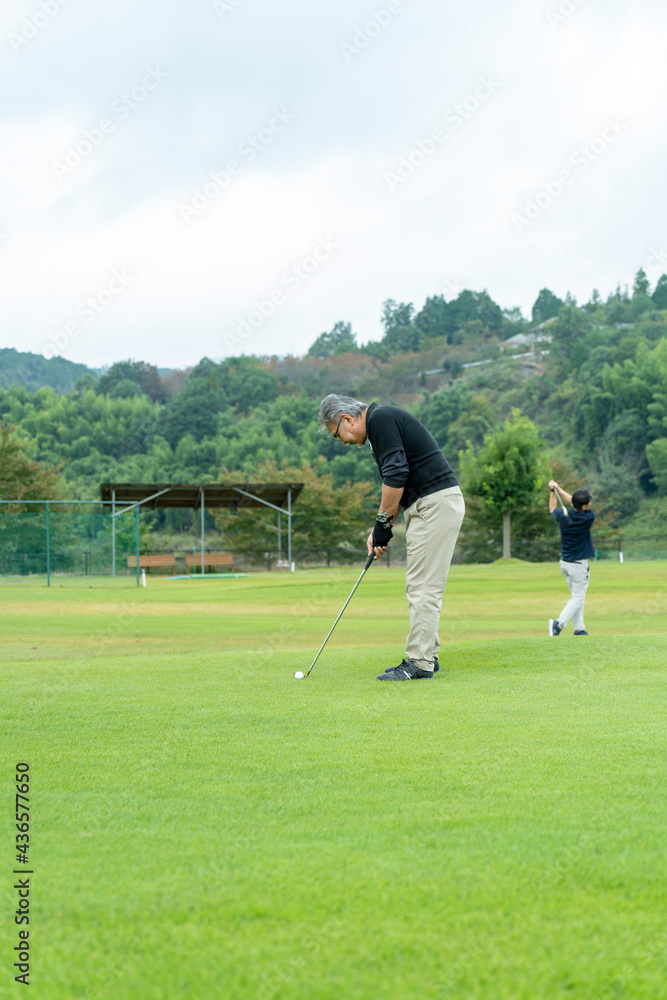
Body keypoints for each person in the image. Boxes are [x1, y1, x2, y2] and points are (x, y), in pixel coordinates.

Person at [317, 394, 465, 680]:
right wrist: (380, 530)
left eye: (338, 435)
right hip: (428, 504)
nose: (342, 441)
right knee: (420, 584)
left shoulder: (380, 419)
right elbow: (400, 480)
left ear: (347, 419)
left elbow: (395, 474)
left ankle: (419, 663)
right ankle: (428, 656)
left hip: (434, 504)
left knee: (423, 586)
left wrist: (382, 523)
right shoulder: (380, 422)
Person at [548, 480, 595, 637]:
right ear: (584, 507)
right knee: (577, 598)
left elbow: (552, 508)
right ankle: (558, 624)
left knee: (577, 597)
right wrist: (559, 490)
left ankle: (579, 629)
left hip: (565, 563)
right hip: (578, 565)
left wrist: (554, 491)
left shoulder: (563, 517)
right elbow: (573, 502)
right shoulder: (588, 517)